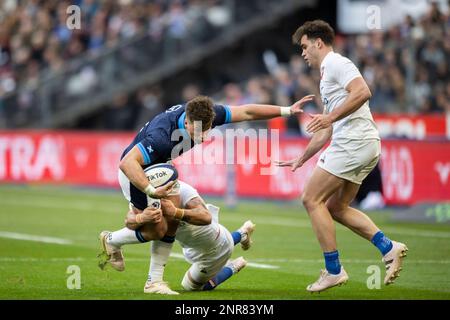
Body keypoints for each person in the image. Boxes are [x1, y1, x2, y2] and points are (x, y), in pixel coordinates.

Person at [98, 95, 313, 283]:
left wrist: (286, 110)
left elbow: (247, 111)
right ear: (188, 122)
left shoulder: (208, 114)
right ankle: (112, 241)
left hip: (161, 168)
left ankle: (153, 280)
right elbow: (126, 163)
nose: (203, 136)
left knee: (168, 222)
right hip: (137, 173)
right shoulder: (163, 134)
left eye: (208, 129)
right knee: (154, 228)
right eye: (199, 131)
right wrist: (151, 191)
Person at [276, 20, 408, 293]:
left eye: (304, 47)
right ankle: (389, 247)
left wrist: (331, 117)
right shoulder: (327, 75)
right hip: (364, 144)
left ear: (318, 42)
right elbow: (326, 131)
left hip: (353, 143)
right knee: (337, 207)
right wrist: (302, 158)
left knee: (311, 199)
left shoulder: (337, 63)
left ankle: (333, 271)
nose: (303, 53)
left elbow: (363, 91)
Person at [124, 181, 255, 295]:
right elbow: (130, 219)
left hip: (214, 248)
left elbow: (205, 217)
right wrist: (140, 218)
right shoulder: (145, 194)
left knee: (190, 286)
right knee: (194, 247)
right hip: (198, 243)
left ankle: (234, 265)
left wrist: (176, 212)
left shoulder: (182, 189)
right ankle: (242, 233)